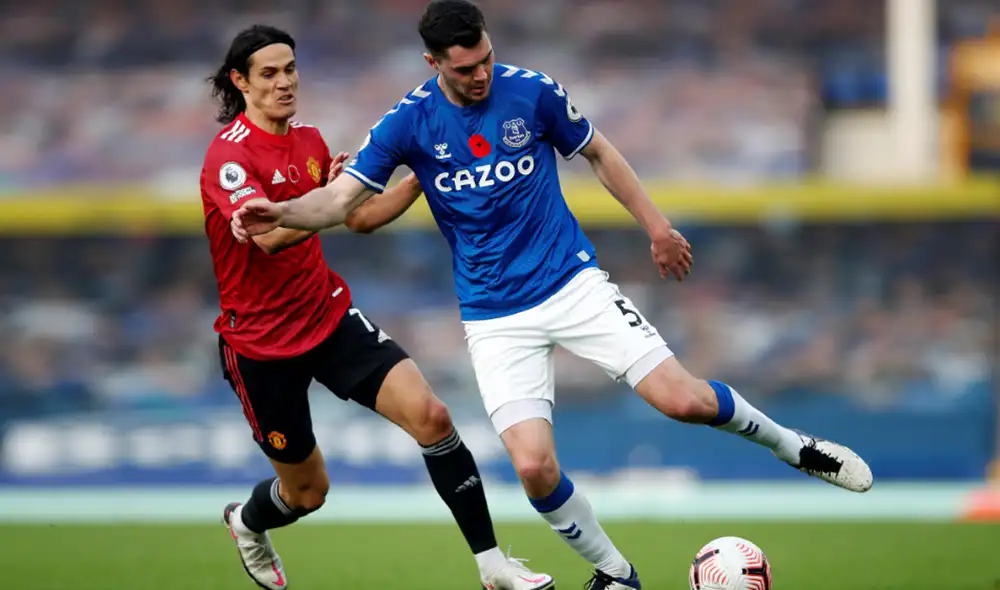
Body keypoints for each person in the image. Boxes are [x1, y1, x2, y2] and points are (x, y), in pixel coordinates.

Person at [229, 3, 875, 589]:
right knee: (534, 469)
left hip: (571, 282)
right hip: (493, 316)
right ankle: (617, 575)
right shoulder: (407, 122)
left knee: (683, 400)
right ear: (434, 64)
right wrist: (280, 211)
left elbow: (600, 152)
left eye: (483, 59)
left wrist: (657, 227)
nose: (479, 75)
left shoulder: (531, 92)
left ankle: (796, 448)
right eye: (464, 69)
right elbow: (343, 202)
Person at [201, 24, 554, 590]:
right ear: (241, 82)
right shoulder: (230, 159)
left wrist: (417, 176)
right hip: (260, 346)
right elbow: (269, 237)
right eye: (269, 73)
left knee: (434, 418)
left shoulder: (310, 141)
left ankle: (493, 567)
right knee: (307, 494)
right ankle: (246, 522)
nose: (285, 81)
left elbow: (358, 219)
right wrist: (329, 203)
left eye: (290, 68)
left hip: (327, 317)